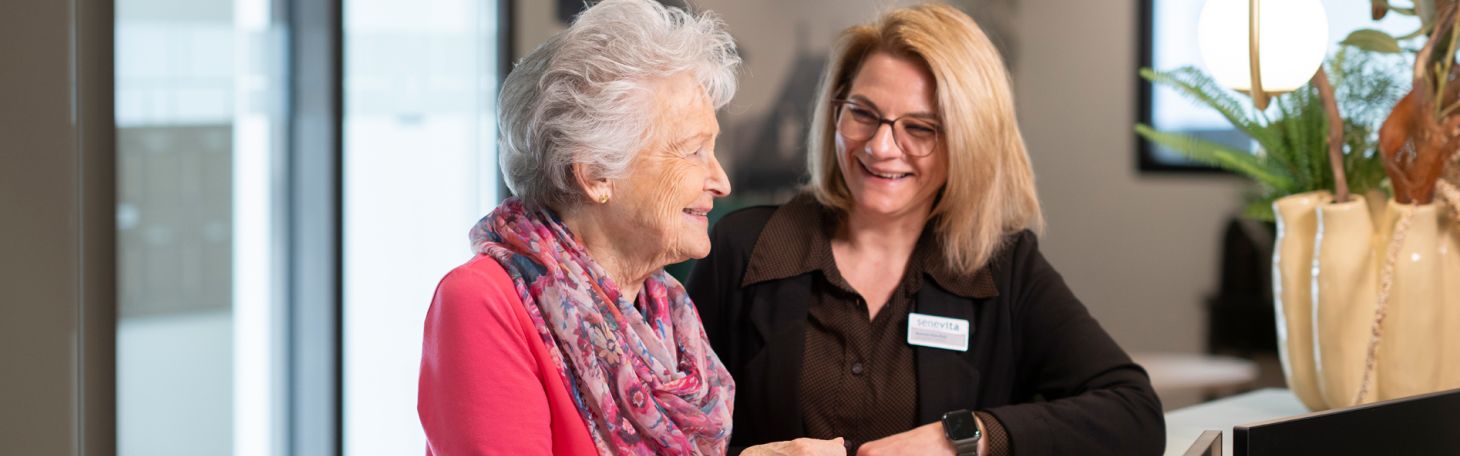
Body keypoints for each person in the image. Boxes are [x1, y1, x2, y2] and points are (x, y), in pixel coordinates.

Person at [687, 4, 1165, 455]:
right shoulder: (743, 249)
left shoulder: (1003, 266)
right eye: (863, 113)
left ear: (967, 142)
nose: (880, 146)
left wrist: (962, 438)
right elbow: (665, 438)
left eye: (919, 128)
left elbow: (1134, 413)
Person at [416, 0, 742, 454]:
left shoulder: (668, 309)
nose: (721, 181)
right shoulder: (481, 301)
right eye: (693, 151)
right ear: (595, 174)